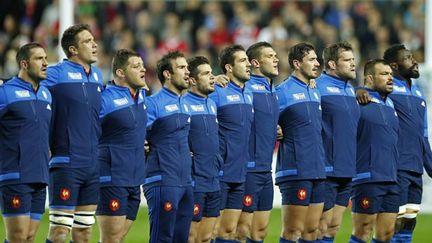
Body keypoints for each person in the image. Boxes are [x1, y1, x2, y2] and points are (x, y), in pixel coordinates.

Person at [356, 44, 432, 243]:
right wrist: (359, 90)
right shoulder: (389, 91)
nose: (414, 61)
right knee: (389, 228)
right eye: (408, 58)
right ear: (394, 66)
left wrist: (430, 166)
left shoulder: (418, 93)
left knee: (408, 224)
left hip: (415, 168)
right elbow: (369, 90)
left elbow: (423, 135)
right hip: (395, 168)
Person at [43, 24, 104, 243]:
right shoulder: (55, 74)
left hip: (92, 165)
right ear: (73, 50)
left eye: (93, 39)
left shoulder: (97, 76)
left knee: (84, 234)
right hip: (66, 163)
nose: (94, 44)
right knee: (60, 231)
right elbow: (23, 82)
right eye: (88, 41)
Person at [0, 43, 51, 243]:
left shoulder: (47, 94)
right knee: (17, 237)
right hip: (15, 175)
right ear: (24, 64)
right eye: (39, 59)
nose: (45, 63)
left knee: (29, 237)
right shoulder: (6, 92)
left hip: (40, 176)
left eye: (45, 58)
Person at [275, 42, 325, 243]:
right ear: (297, 63)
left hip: (318, 168)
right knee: (292, 231)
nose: (317, 63)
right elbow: (260, 120)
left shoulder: (315, 89)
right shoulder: (282, 91)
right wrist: (273, 129)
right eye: (311, 59)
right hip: (295, 169)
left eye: (317, 59)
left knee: (312, 231)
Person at [96, 49, 148, 243]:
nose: (143, 69)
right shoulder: (105, 98)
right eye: (136, 66)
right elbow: (86, 129)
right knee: (111, 238)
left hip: (135, 178)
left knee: (119, 238)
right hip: (111, 175)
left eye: (142, 65)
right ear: (120, 72)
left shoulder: (142, 95)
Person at [144, 51, 193, 243]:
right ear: (167, 74)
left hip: (185, 182)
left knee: (181, 239)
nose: (187, 72)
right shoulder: (153, 103)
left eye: (187, 67)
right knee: (162, 239)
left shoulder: (185, 103)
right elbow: (137, 135)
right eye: (181, 68)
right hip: (162, 180)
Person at [350, 59, 399, 243]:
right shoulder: (358, 100)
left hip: (392, 178)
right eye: (384, 74)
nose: (390, 78)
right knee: (363, 231)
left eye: (391, 74)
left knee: (386, 234)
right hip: (367, 176)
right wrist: (356, 91)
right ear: (370, 78)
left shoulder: (391, 104)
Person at [208, 45, 254, 243]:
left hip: (240, 172)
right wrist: (213, 79)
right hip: (219, 172)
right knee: (210, 232)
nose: (249, 64)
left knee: (230, 232)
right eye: (243, 61)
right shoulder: (216, 91)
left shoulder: (249, 92)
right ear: (228, 67)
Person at [316, 42, 360, 243]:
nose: (353, 64)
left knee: (333, 229)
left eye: (353, 59)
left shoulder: (351, 90)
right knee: (317, 228)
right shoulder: (316, 86)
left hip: (347, 169)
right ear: (332, 64)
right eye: (347, 60)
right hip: (325, 169)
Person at [236, 42, 279, 243]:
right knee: (241, 230)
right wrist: (219, 79)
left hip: (265, 169)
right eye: (270, 56)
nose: (276, 59)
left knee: (260, 231)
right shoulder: (245, 87)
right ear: (255, 63)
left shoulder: (273, 90)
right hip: (247, 169)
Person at [185, 56, 220, 243]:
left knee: (207, 237)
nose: (212, 77)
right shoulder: (184, 104)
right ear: (192, 80)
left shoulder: (212, 104)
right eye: (206, 74)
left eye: (212, 73)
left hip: (213, 179)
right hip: (193, 181)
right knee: (191, 236)